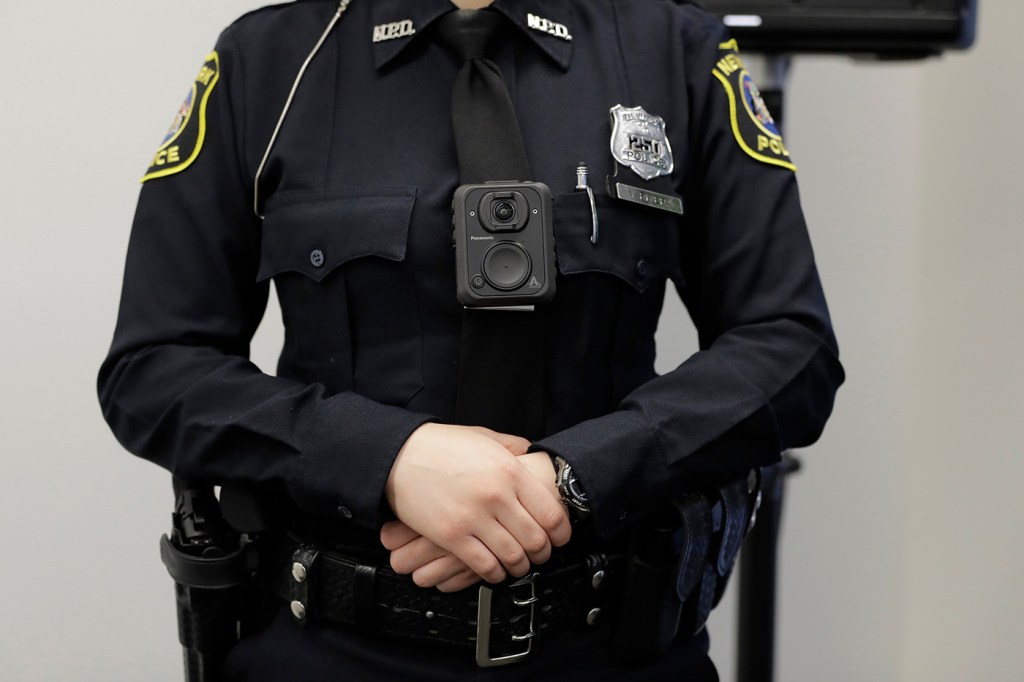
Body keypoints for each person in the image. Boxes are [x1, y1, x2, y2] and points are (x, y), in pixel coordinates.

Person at [98, 0, 844, 679]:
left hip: (613, 651)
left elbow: (792, 348)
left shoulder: (672, 50)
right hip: (329, 651)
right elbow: (154, 368)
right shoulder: (269, 61)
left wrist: (576, 480)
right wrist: (386, 458)